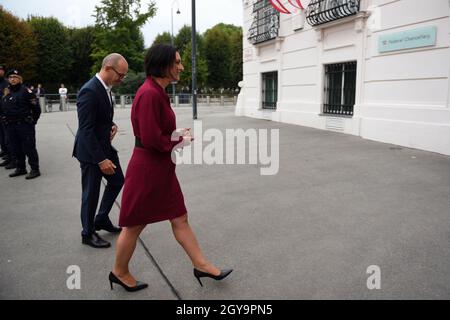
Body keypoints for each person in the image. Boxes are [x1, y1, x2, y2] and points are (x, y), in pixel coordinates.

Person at [109, 44, 232, 292]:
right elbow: (152, 138)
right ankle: (119, 272)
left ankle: (202, 264)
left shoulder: (156, 91)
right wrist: (179, 139)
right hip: (148, 170)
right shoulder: (150, 94)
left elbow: (155, 133)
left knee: (179, 217)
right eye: (176, 62)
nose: (181, 66)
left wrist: (176, 134)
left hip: (159, 167)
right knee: (134, 225)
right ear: (163, 64)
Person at [72, 53, 127, 249]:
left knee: (118, 180)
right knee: (91, 193)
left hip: (104, 146)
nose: (122, 79)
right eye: (120, 75)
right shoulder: (89, 90)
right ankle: (87, 233)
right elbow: (86, 130)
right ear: (107, 68)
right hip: (91, 152)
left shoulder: (105, 88)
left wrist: (110, 125)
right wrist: (101, 159)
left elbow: (99, 118)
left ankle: (101, 218)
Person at [1, 69, 41, 179]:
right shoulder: (7, 91)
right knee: (15, 148)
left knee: (29, 148)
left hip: (24, 125)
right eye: (10, 77)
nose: (12, 79)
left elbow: (36, 108)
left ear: (20, 79)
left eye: (15, 77)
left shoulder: (26, 91)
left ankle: (35, 169)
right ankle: (21, 168)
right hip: (10, 125)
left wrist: (33, 121)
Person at [0, 64, 11, 165]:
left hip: (5, 113)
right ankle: (5, 152)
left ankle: (10, 156)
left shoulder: (6, 83)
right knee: (2, 137)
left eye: (1, 70)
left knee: (7, 136)